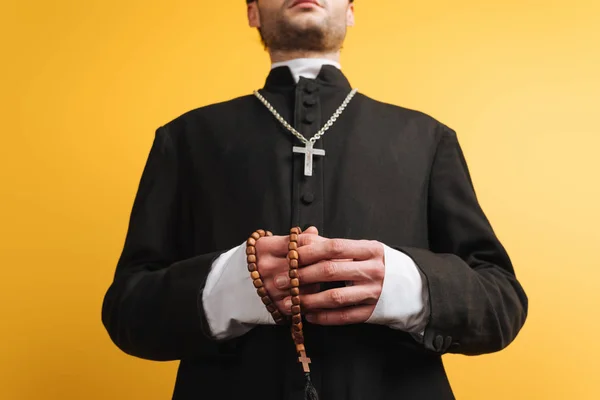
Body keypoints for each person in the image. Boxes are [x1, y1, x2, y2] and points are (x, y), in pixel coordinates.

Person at [101, 0, 528, 399]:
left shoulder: (428, 139)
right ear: (252, 12)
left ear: (351, 10)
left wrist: (405, 284)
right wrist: (229, 286)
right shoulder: (184, 139)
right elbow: (127, 310)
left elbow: (502, 302)